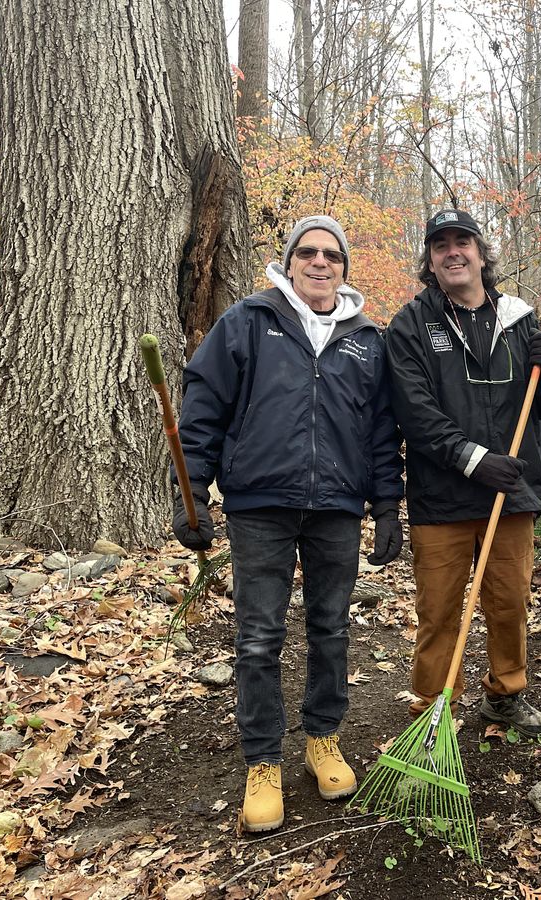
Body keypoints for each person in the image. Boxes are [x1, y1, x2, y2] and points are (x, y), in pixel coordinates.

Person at [174, 215, 405, 833]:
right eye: (308, 252)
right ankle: (262, 760)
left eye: (332, 254)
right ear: (290, 260)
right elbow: (202, 408)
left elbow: (381, 430)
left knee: (330, 628)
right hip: (260, 504)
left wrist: (387, 504)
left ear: (345, 267)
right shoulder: (249, 322)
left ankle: (323, 737)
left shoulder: (366, 340)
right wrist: (191, 488)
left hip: (335, 505)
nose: (320, 262)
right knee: (258, 636)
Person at [386, 208, 541, 739]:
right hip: (443, 496)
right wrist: (472, 459)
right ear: (430, 260)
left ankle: (505, 696)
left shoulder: (521, 319)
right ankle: (432, 708)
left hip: (511, 493)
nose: (452, 252)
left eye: (462, 241)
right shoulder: (411, 324)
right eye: (440, 245)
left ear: (482, 253)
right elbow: (415, 414)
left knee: (510, 603)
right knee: (440, 612)